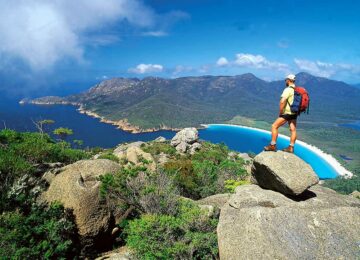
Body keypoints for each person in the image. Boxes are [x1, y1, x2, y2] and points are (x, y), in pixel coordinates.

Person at [264, 74, 298, 153]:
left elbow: (282, 101)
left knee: (274, 126)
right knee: (293, 130)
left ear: (288, 80)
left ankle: (272, 145)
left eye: (286, 80)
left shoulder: (288, 89)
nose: (285, 81)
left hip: (287, 113)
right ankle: (291, 147)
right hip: (294, 112)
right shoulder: (296, 90)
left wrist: (281, 112)